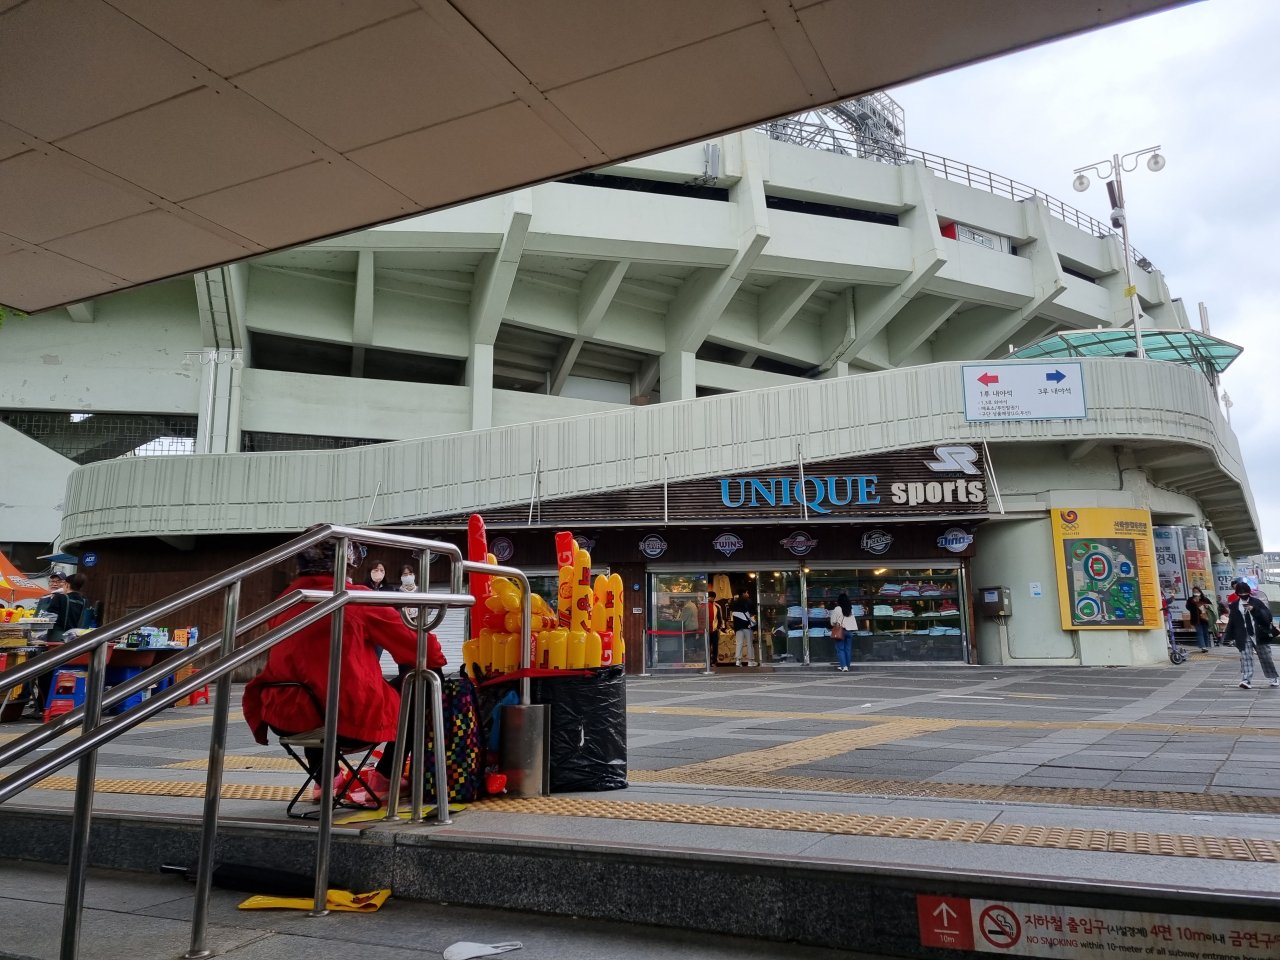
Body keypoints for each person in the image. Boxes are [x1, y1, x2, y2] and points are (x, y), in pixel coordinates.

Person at [243, 541, 447, 805]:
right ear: (349, 562)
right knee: (425, 681)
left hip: (283, 715)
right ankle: (386, 776)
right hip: (341, 719)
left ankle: (324, 779)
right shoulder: (356, 598)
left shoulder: (285, 601)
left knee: (313, 684)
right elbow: (425, 651)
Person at [1223, 581, 1278, 690]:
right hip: (1243, 635)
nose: (1243, 595)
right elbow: (1232, 620)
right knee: (1246, 657)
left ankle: (1273, 677)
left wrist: (1254, 610)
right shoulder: (1234, 605)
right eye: (1240, 593)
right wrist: (1229, 635)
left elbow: (1267, 617)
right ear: (1237, 593)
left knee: (1265, 656)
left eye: (1245, 592)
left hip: (1258, 634)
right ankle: (1246, 680)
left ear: (1249, 592)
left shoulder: (1257, 602)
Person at [40, 572, 88, 643]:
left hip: (57, 638)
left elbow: (49, 619)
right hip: (74, 638)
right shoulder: (84, 600)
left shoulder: (59, 597)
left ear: (67, 584)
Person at [830, 593, 858, 672]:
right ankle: (847, 666)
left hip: (841, 631)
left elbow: (833, 622)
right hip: (850, 631)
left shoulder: (837, 609)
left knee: (840, 649)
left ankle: (844, 666)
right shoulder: (850, 609)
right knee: (848, 649)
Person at [730, 589, 756, 667]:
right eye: (747, 592)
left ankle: (738, 660)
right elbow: (753, 611)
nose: (748, 594)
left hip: (738, 626)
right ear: (743, 593)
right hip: (747, 625)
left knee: (739, 643)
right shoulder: (748, 601)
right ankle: (750, 660)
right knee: (749, 643)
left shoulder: (734, 602)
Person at [1186, 587, 1212, 652]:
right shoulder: (1190, 600)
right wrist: (1194, 602)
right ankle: (1203, 646)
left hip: (1205, 619)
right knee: (1200, 632)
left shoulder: (1204, 599)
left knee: (1205, 632)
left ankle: (1206, 645)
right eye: (1194, 591)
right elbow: (1188, 607)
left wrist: (1208, 606)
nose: (1196, 592)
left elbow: (1211, 606)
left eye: (1197, 591)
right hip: (1196, 619)